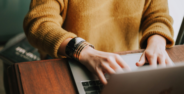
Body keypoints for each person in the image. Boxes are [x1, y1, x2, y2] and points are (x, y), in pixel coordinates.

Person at [23, 0, 174, 85]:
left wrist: (157, 42)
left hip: (126, 66)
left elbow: (158, 16)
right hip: (71, 62)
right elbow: (39, 23)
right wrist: (83, 50)